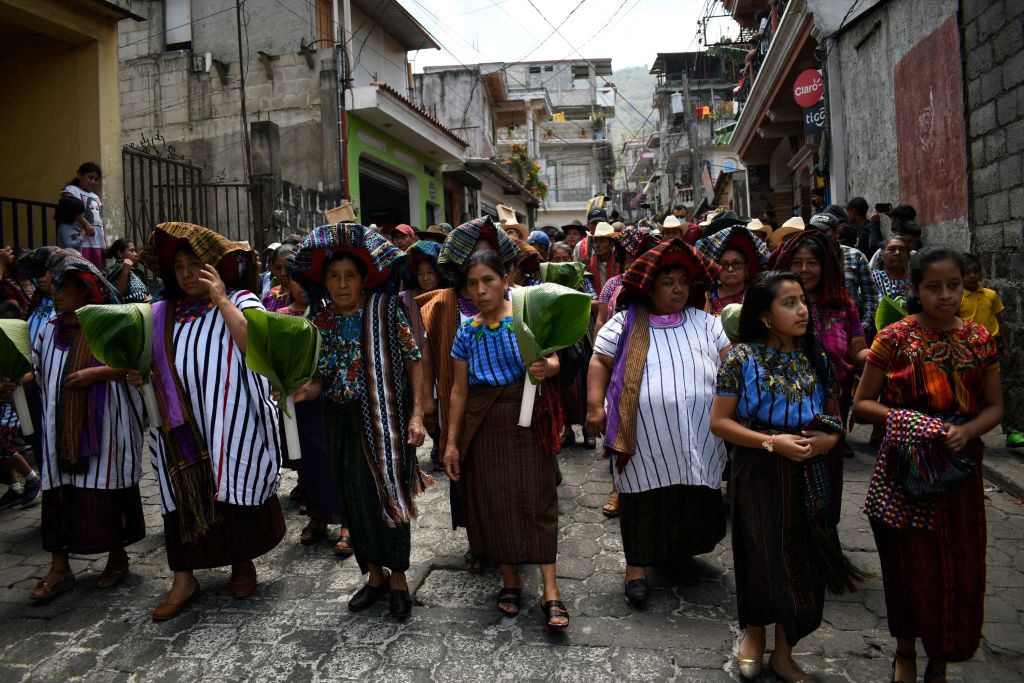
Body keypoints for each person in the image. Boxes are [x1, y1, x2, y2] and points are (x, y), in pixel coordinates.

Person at [853, 247, 1003, 683]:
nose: (945, 296)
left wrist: (968, 432)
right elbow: (862, 404)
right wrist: (911, 422)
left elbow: (995, 407)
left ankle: (940, 658)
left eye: (953, 286)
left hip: (959, 470)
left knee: (959, 564)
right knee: (906, 564)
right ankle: (905, 652)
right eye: (933, 287)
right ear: (915, 290)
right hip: (905, 469)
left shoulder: (979, 339)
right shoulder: (895, 338)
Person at [711, 271, 863, 683]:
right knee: (761, 554)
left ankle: (785, 651)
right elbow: (720, 423)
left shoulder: (817, 357)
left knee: (804, 559)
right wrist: (771, 443)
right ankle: (754, 634)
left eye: (803, 302)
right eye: (789, 303)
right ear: (764, 315)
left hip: (811, 468)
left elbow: (834, 417)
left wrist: (829, 441)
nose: (802, 311)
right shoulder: (740, 360)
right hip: (759, 468)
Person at [140, 222, 285, 621]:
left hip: (229, 420)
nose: (187, 274)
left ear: (216, 267)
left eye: (196, 265)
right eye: (180, 266)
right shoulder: (158, 314)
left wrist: (222, 299)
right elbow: (140, 363)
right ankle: (184, 578)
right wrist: (138, 372)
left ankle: (242, 562)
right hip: (178, 425)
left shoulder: (243, 300)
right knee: (180, 493)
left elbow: (256, 345)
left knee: (231, 485)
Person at [289, 223, 428, 621]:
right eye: (335, 277)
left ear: (364, 279)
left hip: (387, 418)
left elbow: (414, 359)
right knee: (351, 495)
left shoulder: (386, 310)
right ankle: (373, 576)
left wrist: (418, 413)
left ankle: (398, 578)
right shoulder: (321, 323)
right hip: (340, 419)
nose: (343, 283)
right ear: (325, 282)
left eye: (350, 276)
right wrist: (300, 391)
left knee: (387, 495)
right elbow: (319, 380)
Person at [587, 239, 729, 608]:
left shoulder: (708, 324)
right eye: (669, 282)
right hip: (644, 436)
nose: (678, 288)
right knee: (641, 497)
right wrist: (594, 407)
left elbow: (731, 364)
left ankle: (677, 552)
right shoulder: (623, 324)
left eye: (683, 281)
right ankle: (636, 569)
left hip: (699, 432)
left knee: (690, 492)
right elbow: (600, 362)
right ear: (649, 286)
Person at [443, 250, 569, 630]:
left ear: (506, 278)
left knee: (538, 498)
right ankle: (510, 578)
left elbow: (555, 360)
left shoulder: (527, 317)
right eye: (472, 283)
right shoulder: (466, 331)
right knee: (495, 501)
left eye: (489, 281)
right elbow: (458, 391)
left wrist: (546, 367)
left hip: (528, 419)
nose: (481, 291)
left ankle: (551, 588)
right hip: (482, 425)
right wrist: (451, 442)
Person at [14, 254, 146, 601]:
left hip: (106, 431)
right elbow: (37, 373)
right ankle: (60, 569)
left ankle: (117, 558)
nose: (55, 293)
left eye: (63, 286)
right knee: (58, 494)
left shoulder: (109, 323)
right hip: (59, 431)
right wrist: (12, 380)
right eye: (54, 286)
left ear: (85, 290)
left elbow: (134, 365)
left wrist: (96, 373)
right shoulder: (48, 329)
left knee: (105, 489)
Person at [277, 268, 352, 555]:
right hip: (302, 398)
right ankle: (318, 516)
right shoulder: (283, 313)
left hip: (331, 398)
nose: (301, 286)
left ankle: (347, 522)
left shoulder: (330, 314)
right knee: (308, 462)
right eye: (296, 279)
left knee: (335, 459)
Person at [695, 226, 770, 314]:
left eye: (736, 264)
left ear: (746, 269)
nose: (730, 269)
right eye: (724, 265)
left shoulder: (758, 296)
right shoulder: (703, 298)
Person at [60, 163, 107, 268]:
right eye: (90, 177)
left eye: (96, 179)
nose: (93, 181)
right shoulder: (71, 190)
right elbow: (68, 206)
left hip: (96, 241)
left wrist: (104, 240)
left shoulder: (95, 197)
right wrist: (85, 223)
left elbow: (100, 219)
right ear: (80, 175)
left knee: (96, 271)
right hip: (81, 239)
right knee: (83, 269)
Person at [103, 239, 150, 303]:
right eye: (131, 251)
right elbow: (116, 297)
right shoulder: (112, 271)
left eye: (135, 251)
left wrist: (150, 297)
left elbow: (147, 293)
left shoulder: (138, 273)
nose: (136, 254)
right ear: (120, 254)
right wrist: (125, 271)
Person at [871, 237, 911, 303]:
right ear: (882, 255)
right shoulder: (872, 278)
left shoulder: (914, 280)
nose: (897, 253)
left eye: (902, 249)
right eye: (892, 249)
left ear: (907, 256)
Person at [260, 244, 294, 312]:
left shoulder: (301, 296)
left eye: (288, 268)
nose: (283, 273)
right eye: (278, 268)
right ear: (272, 268)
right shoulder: (269, 295)